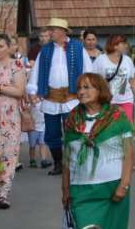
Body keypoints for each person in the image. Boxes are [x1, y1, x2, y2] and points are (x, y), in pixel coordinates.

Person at [62, 73, 133, 229]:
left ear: (100, 90)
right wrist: (65, 191)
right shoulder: (72, 119)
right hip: (81, 188)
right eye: (80, 88)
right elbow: (67, 159)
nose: (82, 92)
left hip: (111, 186)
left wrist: (124, 184)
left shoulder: (117, 116)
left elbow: (128, 153)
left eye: (88, 87)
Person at [26, 18, 93, 176]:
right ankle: (58, 163)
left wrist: (88, 91)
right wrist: (33, 91)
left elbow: (88, 70)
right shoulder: (45, 50)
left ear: (63, 31)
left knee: (75, 131)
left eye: (53, 30)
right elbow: (36, 72)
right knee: (52, 133)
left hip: (72, 99)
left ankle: (75, 164)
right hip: (51, 98)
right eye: (50, 30)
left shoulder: (78, 47)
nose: (50, 32)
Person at [0, 33, 27, 209]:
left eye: (1, 46)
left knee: (9, 153)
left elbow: (19, 91)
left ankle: (4, 192)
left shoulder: (16, 65)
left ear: (9, 47)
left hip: (10, 115)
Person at [94, 34, 135, 123]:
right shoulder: (101, 60)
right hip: (107, 101)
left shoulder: (128, 60)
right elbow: (92, 80)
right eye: (123, 43)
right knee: (109, 129)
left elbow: (133, 81)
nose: (126, 45)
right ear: (115, 45)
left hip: (126, 100)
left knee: (126, 129)